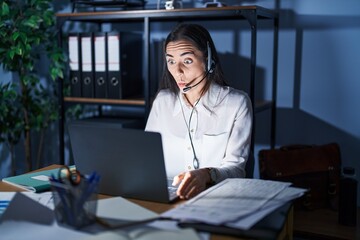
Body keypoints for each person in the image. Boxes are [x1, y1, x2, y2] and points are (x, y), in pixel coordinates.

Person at [145, 23, 253, 199]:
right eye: (171, 61)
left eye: (187, 61)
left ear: (208, 59)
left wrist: (207, 174)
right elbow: (147, 158)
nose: (177, 71)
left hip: (214, 197)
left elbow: (236, 170)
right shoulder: (162, 101)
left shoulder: (237, 103)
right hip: (166, 197)